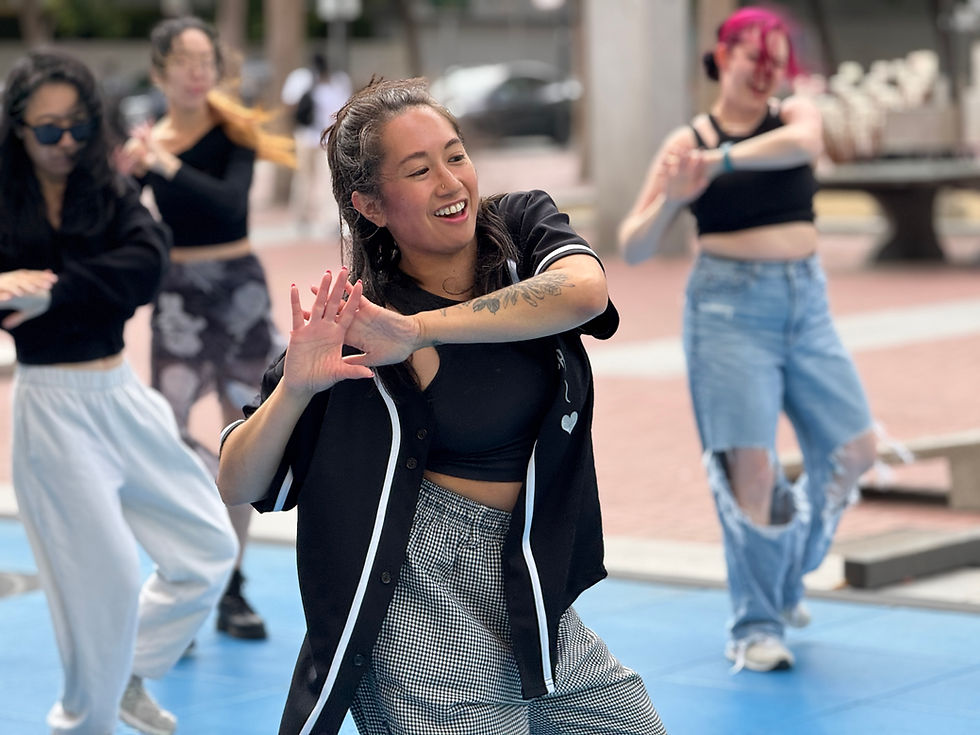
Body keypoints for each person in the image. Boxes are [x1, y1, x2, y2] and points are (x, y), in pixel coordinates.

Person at [216, 78, 668, 735]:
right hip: (423, 591)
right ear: (370, 203)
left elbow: (584, 292)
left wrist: (424, 331)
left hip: (529, 574)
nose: (450, 182)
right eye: (419, 170)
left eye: (455, 156)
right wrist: (296, 389)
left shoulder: (520, 230)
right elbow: (237, 479)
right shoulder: (358, 319)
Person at [618, 5, 877, 673]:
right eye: (752, 55)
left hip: (806, 302)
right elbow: (634, 245)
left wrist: (721, 159)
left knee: (854, 446)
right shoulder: (687, 140)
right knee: (752, 467)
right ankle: (757, 624)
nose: (766, 70)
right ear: (723, 55)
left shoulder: (792, 116)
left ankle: (783, 570)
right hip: (728, 311)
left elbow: (804, 147)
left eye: (776, 58)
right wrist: (677, 193)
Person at [0, 49, 238, 734]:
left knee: (206, 547)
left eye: (77, 126)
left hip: (119, 393)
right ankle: (83, 721)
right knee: (96, 589)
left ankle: (130, 670)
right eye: (49, 130)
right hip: (51, 409)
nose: (66, 142)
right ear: (19, 130)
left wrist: (57, 290)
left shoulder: (104, 187)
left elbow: (147, 259)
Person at [115, 15, 295, 641]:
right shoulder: (148, 143)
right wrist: (128, 170)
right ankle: (188, 575)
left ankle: (234, 585)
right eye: (185, 61)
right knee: (167, 434)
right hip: (178, 301)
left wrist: (163, 164)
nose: (198, 72)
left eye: (206, 60)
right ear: (160, 70)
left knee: (246, 429)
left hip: (239, 290)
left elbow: (227, 203)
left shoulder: (234, 130)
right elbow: (111, 214)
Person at [281, 51, 352, 235]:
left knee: (317, 179)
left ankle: (319, 219)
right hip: (314, 137)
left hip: (317, 138)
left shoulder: (329, 81)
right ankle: (309, 218)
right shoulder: (309, 80)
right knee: (313, 179)